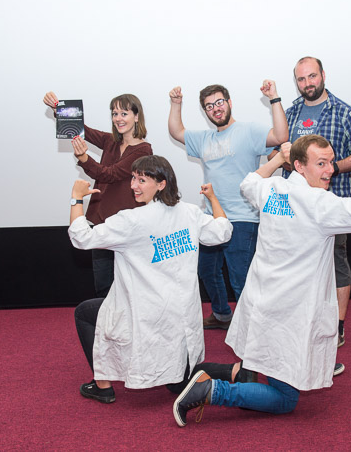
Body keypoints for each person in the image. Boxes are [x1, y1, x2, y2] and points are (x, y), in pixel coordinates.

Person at [173, 135, 351, 426]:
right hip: (291, 310)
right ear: (300, 166)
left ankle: (233, 378)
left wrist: (277, 159)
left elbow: (248, 182)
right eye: (321, 164)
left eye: (330, 162)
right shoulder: (320, 204)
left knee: (267, 364)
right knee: (286, 399)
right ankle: (213, 390)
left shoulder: (274, 188)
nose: (329, 170)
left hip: (263, 299)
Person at [68, 155, 234, 403]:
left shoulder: (131, 221)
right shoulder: (189, 212)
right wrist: (212, 198)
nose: (134, 185)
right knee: (179, 384)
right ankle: (234, 371)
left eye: (142, 180)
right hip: (182, 312)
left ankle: (102, 385)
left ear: (161, 184)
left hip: (144, 310)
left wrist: (77, 198)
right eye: (133, 178)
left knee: (84, 312)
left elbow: (81, 238)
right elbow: (223, 231)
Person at [43, 92, 153, 373]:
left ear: (136, 116)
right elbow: (82, 130)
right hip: (100, 223)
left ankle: (133, 347)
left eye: (124, 113)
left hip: (126, 229)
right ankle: (111, 349)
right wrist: (60, 109)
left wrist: (82, 158)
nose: (119, 119)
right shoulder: (109, 141)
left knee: (128, 289)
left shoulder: (143, 150)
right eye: (114, 114)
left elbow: (110, 174)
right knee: (104, 288)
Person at [168, 81, 288, 329]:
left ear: (229, 103)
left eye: (219, 102)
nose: (215, 108)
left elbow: (281, 136)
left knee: (240, 278)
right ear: (205, 111)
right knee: (207, 272)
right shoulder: (203, 139)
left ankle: (253, 328)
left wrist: (274, 99)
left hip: (243, 218)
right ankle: (222, 315)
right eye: (209, 106)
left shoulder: (249, 131)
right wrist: (176, 104)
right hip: (211, 218)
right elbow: (176, 131)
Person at [274, 56, 351, 347]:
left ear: (323, 75)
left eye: (312, 77)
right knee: (295, 262)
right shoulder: (290, 112)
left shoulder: (345, 113)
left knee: (336, 262)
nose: (307, 84)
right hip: (294, 207)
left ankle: (337, 325)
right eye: (301, 79)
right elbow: (280, 153)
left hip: (332, 203)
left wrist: (332, 168)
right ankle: (298, 318)